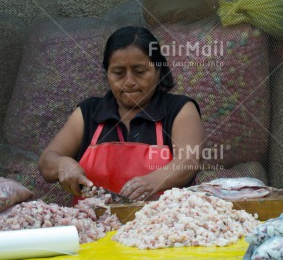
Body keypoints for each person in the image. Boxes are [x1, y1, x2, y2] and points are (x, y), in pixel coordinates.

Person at [38, 26, 206, 202]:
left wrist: (151, 182)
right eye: (118, 73)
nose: (129, 82)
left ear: (158, 71)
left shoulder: (179, 109)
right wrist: (62, 165)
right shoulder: (89, 112)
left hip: (162, 223)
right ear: (107, 74)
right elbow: (47, 161)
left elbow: (188, 161)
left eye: (140, 72)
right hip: (94, 224)